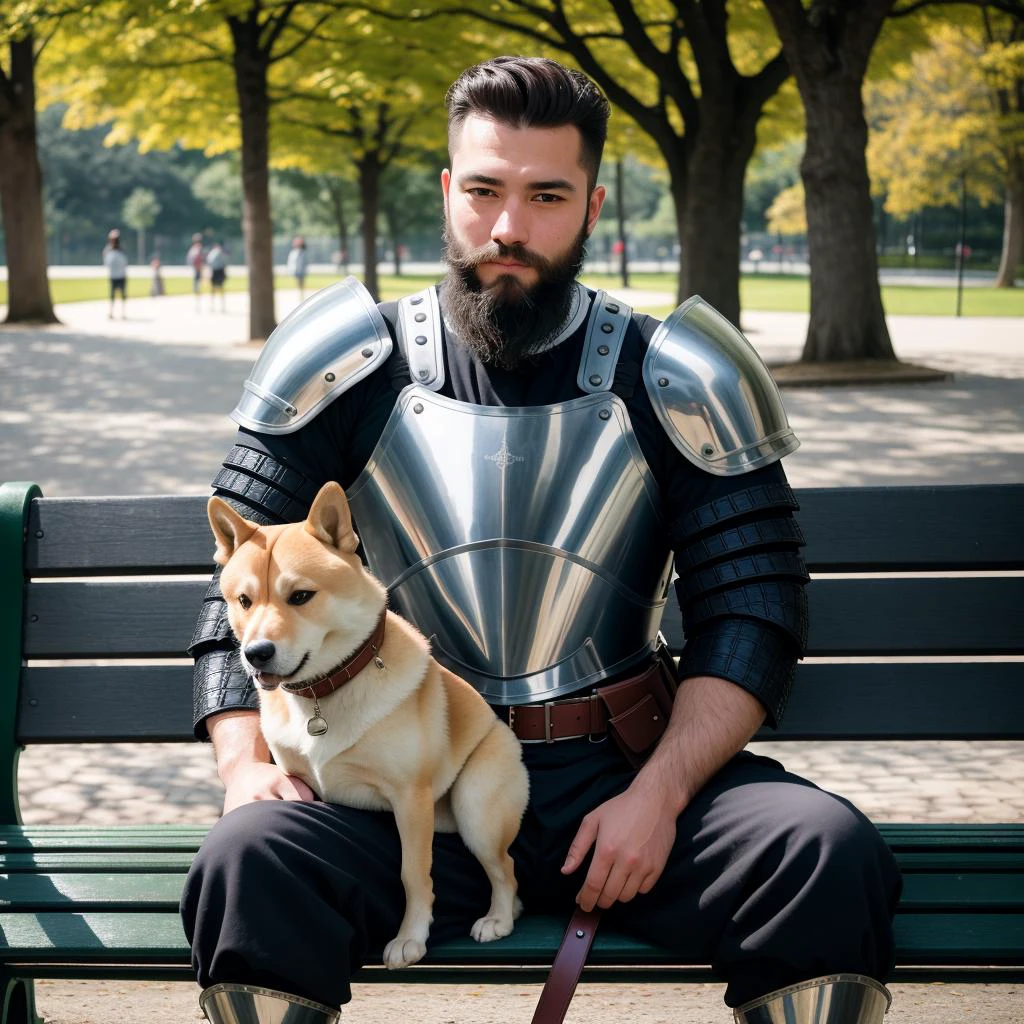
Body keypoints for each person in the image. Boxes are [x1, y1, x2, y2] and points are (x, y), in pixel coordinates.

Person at [182, 57, 901, 1024]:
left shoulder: (677, 374)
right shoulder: (345, 367)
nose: (509, 227)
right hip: (398, 776)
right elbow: (230, 586)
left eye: (545, 196)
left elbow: (753, 608)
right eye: (483, 191)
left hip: (621, 773)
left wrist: (661, 794)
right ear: (448, 191)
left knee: (821, 853)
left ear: (593, 205)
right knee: (247, 862)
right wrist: (245, 767)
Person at [101, 228, 128, 319]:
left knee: (122, 294)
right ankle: (111, 312)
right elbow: (106, 260)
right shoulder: (109, 249)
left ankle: (122, 313)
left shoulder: (120, 249)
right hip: (114, 275)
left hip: (120, 275)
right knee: (112, 295)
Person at [206, 242, 228, 312]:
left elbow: (210, 263)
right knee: (218, 289)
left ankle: (219, 306)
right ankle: (217, 306)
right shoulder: (218, 253)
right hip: (217, 271)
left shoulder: (214, 253)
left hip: (217, 271)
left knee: (217, 289)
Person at [286, 235, 309, 301]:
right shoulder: (294, 252)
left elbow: (303, 263)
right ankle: (299, 296)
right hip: (296, 270)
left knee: (300, 284)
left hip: (300, 270)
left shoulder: (301, 252)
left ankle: (301, 296)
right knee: (298, 284)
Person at [187, 233, 205, 309]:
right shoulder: (196, 249)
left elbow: (201, 260)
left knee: (198, 286)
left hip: (198, 269)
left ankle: (198, 303)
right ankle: (197, 303)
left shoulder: (197, 249)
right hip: (197, 269)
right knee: (197, 287)